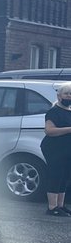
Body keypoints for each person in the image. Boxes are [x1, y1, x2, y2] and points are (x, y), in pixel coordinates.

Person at [41, 81, 71, 215]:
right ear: (59, 96)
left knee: (64, 176)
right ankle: (52, 207)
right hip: (53, 148)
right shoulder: (53, 112)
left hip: (66, 149)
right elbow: (49, 131)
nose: (69, 96)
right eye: (66, 94)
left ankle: (60, 205)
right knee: (56, 175)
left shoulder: (69, 111)